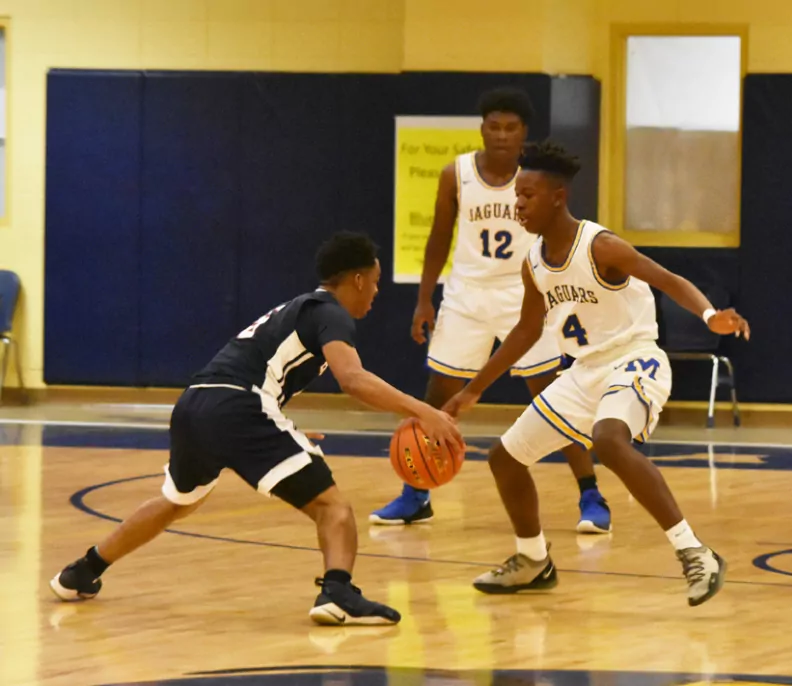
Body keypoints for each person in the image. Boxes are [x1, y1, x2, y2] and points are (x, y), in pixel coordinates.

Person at [49, 232, 464, 626]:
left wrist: (281, 428)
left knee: (177, 501)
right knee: (332, 507)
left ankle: (82, 571)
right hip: (240, 408)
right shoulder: (330, 312)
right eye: (374, 282)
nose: (375, 292)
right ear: (357, 279)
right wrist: (423, 411)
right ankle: (337, 594)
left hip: (195, 404)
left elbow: (254, 373)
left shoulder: (295, 309)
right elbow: (352, 379)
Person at [443, 141, 750, 606]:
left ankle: (695, 551)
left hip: (634, 358)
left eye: (527, 195)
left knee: (608, 440)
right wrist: (473, 390)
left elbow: (668, 280)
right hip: (583, 371)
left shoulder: (600, 246)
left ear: (558, 197)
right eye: (516, 195)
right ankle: (533, 560)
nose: (517, 204)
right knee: (504, 458)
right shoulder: (533, 263)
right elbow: (526, 331)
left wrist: (710, 317)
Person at [370, 87, 611, 534]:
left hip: (525, 292)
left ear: (524, 133)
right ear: (481, 129)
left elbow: (561, 234)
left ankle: (591, 493)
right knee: (439, 395)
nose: (501, 135)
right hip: (466, 294)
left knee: (553, 396)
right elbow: (439, 236)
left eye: (510, 128)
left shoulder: (537, 177)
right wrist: (424, 298)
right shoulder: (456, 173)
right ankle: (416, 493)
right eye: (494, 126)